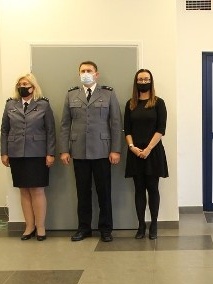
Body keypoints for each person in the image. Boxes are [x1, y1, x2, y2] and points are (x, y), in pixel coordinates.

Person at [60, 61, 122, 242]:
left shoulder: (108, 93)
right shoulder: (71, 94)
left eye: (89, 71)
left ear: (97, 74)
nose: (86, 73)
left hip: (103, 151)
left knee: (104, 192)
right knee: (82, 192)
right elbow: (65, 125)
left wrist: (116, 150)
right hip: (78, 151)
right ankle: (84, 228)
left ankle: (106, 229)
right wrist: (64, 150)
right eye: (82, 71)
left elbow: (116, 123)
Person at [0, 73, 56, 241]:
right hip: (16, 153)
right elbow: (4, 130)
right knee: (23, 190)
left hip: (37, 153)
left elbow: (50, 131)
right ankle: (29, 226)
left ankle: (40, 227)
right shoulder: (10, 104)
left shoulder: (43, 105)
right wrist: (4, 152)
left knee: (37, 190)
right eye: (20, 84)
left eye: (26, 84)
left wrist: (50, 153)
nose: (23, 86)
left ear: (33, 86)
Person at [124, 69, 169, 240]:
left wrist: (148, 148)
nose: (143, 82)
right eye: (140, 79)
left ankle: (154, 224)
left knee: (153, 189)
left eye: (146, 79)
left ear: (151, 81)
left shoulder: (159, 103)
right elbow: (127, 129)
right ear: (136, 82)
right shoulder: (131, 104)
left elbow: (161, 129)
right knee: (139, 190)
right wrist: (132, 147)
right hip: (135, 152)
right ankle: (141, 225)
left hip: (153, 151)